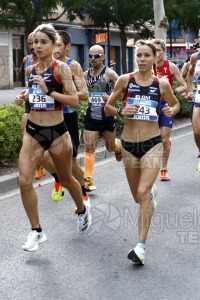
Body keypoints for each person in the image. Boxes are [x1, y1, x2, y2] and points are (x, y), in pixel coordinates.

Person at [15, 23, 91, 252]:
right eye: (35, 42)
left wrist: (49, 91)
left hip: (57, 131)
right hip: (34, 132)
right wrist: (25, 95)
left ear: (54, 44)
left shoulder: (61, 69)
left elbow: (74, 101)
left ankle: (82, 209)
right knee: (24, 180)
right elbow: (34, 93)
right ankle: (36, 231)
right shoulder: (30, 68)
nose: (37, 46)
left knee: (67, 180)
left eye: (42, 42)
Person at [104, 40, 180, 265]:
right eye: (139, 56)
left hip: (152, 143)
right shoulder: (125, 80)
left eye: (147, 55)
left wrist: (169, 109)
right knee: (137, 197)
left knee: (143, 192)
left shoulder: (162, 84)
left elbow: (175, 105)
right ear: (135, 58)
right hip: (128, 145)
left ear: (155, 58)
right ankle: (149, 196)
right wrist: (121, 110)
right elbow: (108, 107)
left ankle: (140, 247)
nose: (142, 59)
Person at [41, 30, 90, 203]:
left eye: (59, 45)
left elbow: (84, 93)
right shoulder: (42, 65)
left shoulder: (72, 65)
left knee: (72, 163)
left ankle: (83, 194)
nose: (55, 48)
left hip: (67, 118)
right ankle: (58, 179)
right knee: (43, 156)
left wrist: (64, 93)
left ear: (67, 47)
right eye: (53, 43)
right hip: (47, 118)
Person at [83, 45, 121, 191]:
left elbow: (124, 91)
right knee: (89, 146)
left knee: (110, 148)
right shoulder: (86, 74)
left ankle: (117, 145)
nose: (93, 59)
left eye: (96, 56)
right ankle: (88, 179)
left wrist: (111, 98)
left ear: (103, 57)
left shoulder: (110, 74)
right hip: (91, 114)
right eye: (90, 56)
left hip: (107, 116)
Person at [152, 38, 186, 181]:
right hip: (151, 105)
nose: (156, 53)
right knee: (153, 138)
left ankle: (164, 169)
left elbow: (183, 86)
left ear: (164, 52)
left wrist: (171, 91)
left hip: (166, 104)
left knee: (164, 137)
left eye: (158, 50)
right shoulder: (146, 66)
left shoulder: (170, 66)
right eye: (154, 50)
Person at [23, 32, 45, 180]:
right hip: (31, 100)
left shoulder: (49, 60)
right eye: (30, 43)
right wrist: (24, 94)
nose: (32, 46)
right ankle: (37, 167)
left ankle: (43, 164)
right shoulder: (27, 60)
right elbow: (28, 84)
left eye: (35, 43)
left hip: (46, 103)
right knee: (25, 132)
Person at [187, 43, 200, 173]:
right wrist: (189, 89)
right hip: (199, 96)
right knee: (197, 131)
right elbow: (190, 73)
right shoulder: (195, 57)